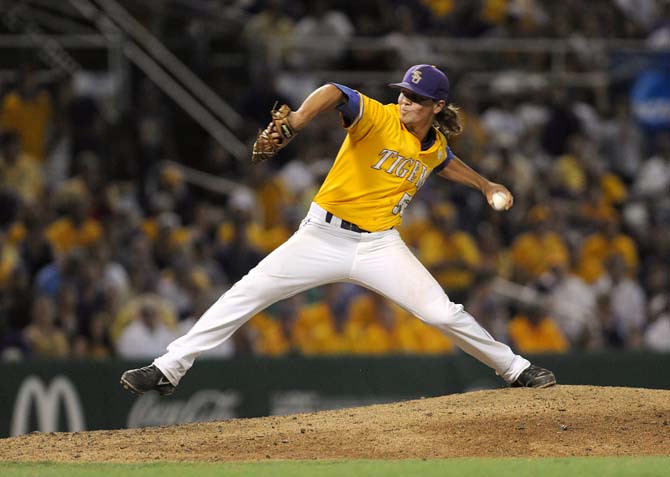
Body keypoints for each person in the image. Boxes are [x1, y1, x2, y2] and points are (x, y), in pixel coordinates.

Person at [121, 64, 556, 396]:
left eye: (417, 98)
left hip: (379, 246)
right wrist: (301, 119)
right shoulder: (379, 117)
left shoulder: (433, 144)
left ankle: (516, 370)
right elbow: (333, 91)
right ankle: (167, 369)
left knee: (443, 313)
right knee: (247, 292)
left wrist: (485, 184)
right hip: (321, 237)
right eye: (404, 93)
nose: (405, 102)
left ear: (437, 107)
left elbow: (443, 161)